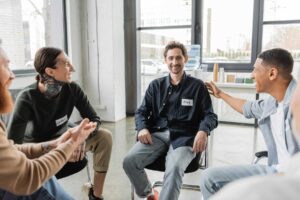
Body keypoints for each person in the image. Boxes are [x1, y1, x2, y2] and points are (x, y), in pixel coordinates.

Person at [7, 47, 113, 200]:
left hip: (66, 139)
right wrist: (62, 144)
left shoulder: (72, 88)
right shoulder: (27, 98)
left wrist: (79, 138)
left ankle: (96, 195)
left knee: (104, 137)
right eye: (67, 64)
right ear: (50, 72)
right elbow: (13, 145)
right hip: (39, 151)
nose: (73, 68)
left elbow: (94, 119)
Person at [123, 41, 218, 200]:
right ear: (165, 60)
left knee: (174, 168)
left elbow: (210, 115)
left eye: (178, 58)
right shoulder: (155, 86)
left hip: (185, 137)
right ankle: (150, 194)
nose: (175, 62)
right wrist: (142, 128)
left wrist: (203, 131)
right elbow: (141, 112)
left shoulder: (197, 87)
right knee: (129, 161)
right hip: (157, 135)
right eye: (171, 58)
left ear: (185, 59)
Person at [200, 48, 299, 199]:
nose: (252, 75)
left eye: (255, 70)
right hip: (276, 170)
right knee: (209, 178)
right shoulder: (272, 103)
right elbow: (247, 107)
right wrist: (220, 94)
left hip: (291, 177)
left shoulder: (296, 102)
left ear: (272, 73)